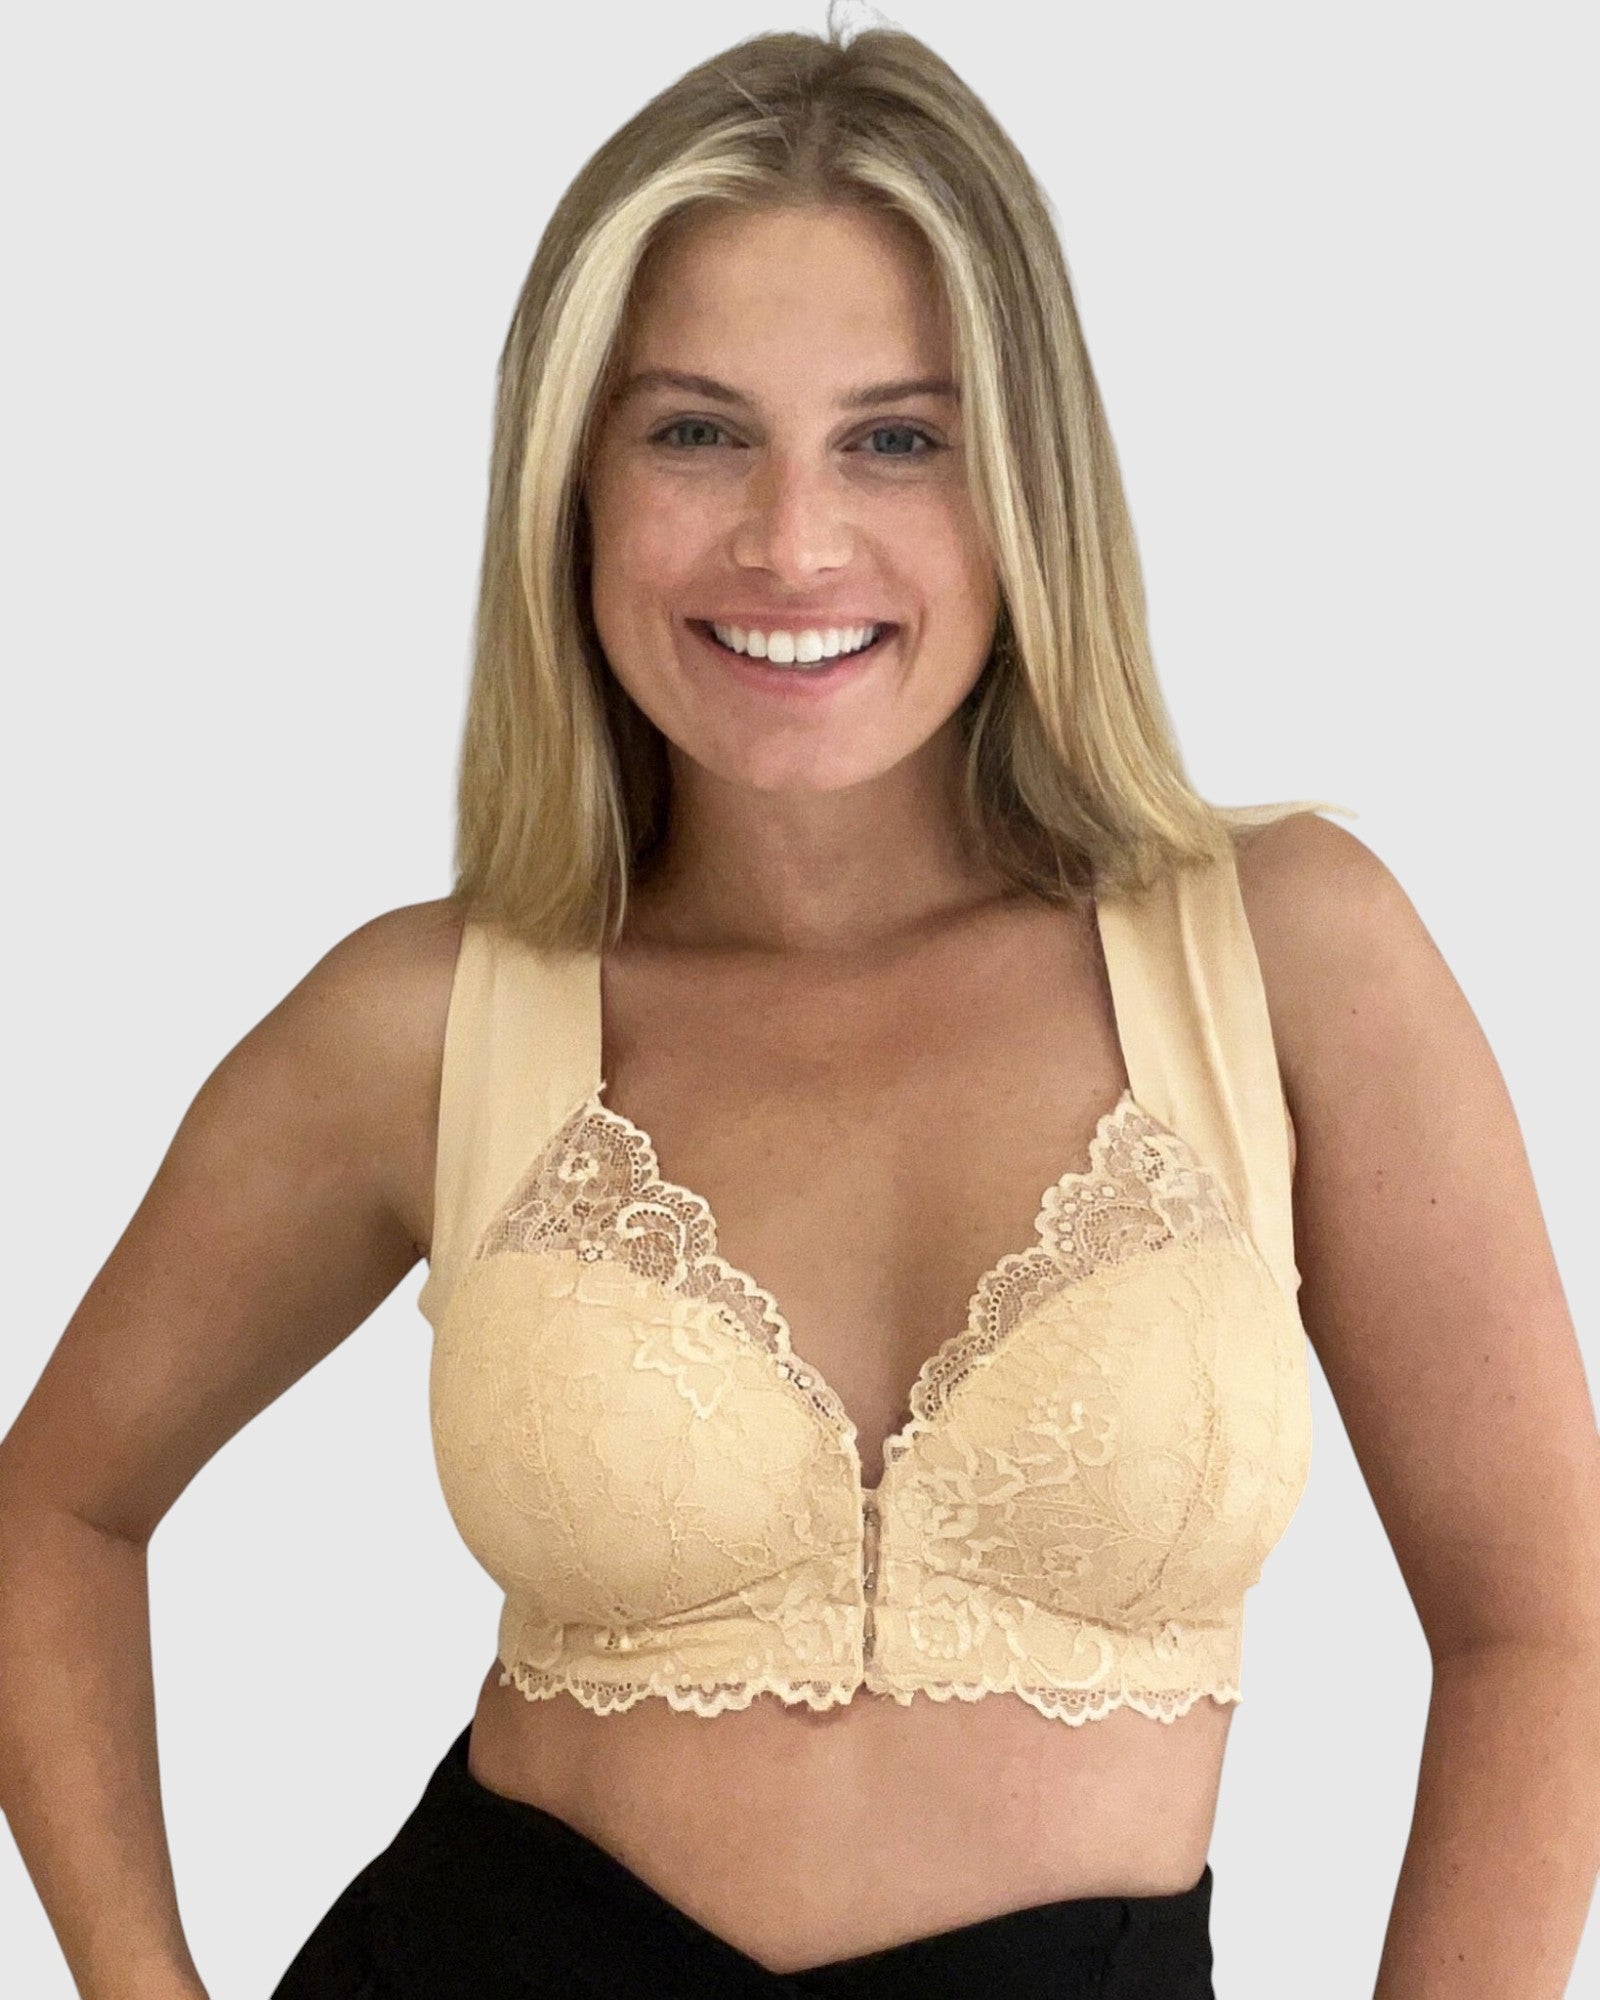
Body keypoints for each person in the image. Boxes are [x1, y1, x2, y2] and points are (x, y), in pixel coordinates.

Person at [5, 13, 1599, 2000]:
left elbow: (1539, 1627)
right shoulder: (427, 1023)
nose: (790, 539)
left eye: (895, 436)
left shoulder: (1288, 958)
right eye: (694, 431)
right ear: (574, 482)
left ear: (1028, 488)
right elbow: (54, 1512)